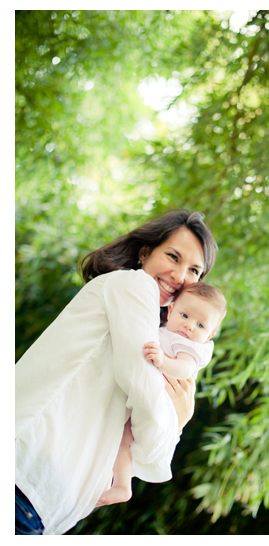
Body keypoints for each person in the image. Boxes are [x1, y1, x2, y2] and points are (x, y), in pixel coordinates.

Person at [15, 210, 218, 535]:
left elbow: (141, 451)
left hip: (43, 503)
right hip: (23, 474)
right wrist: (177, 420)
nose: (180, 275)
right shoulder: (133, 285)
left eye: (194, 269)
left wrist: (169, 423)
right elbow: (144, 392)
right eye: (172, 256)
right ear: (144, 253)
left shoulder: (160, 334)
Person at [97, 281, 228, 507]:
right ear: (171, 309)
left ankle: (119, 484)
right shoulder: (163, 331)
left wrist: (162, 361)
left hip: (164, 409)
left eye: (200, 325)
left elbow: (184, 369)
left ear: (211, 334)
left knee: (124, 435)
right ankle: (121, 485)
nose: (189, 326)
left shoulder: (191, 346)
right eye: (185, 315)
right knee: (123, 438)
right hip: (148, 404)